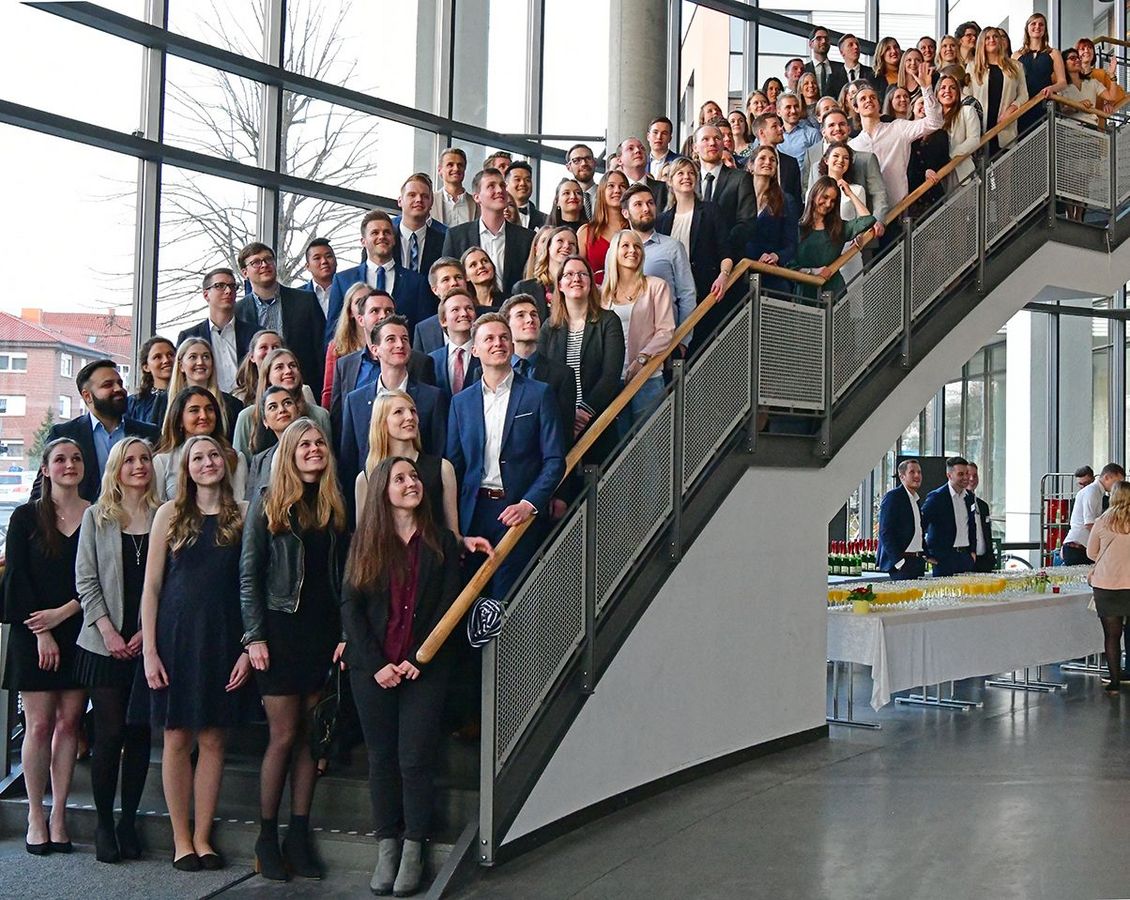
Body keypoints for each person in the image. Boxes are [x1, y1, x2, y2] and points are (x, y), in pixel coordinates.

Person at [340, 457, 464, 897]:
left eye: (414, 476)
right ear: (383, 492)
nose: (412, 483)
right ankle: (387, 847)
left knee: (414, 759)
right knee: (381, 759)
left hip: (422, 669)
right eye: (400, 479)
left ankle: (414, 847)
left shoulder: (442, 542)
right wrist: (376, 664)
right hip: (372, 671)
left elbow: (450, 604)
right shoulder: (365, 542)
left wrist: (418, 658)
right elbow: (351, 608)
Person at [135, 434, 255, 871]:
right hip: (176, 638)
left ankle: (203, 837)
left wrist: (248, 647)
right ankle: (181, 839)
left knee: (214, 738)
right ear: (185, 468)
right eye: (198, 457)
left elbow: (253, 586)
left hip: (224, 638)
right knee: (177, 737)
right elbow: (151, 588)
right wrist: (149, 650)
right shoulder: (168, 513)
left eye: (213, 455)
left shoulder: (244, 513)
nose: (207, 463)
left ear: (226, 462)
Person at [239, 418, 347, 881]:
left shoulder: (333, 505)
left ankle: (298, 836)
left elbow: (342, 578)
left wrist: (344, 633)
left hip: (321, 635)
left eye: (319, 442)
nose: (314, 448)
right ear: (288, 452)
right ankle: (266, 837)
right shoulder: (267, 504)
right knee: (283, 735)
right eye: (304, 443)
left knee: (310, 737)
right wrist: (254, 637)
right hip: (280, 632)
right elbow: (248, 576)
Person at [2, 438, 89, 856]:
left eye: (76, 459)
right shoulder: (25, 517)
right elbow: (16, 577)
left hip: (79, 629)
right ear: (45, 468)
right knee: (38, 726)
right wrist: (42, 629)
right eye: (60, 459)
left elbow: (102, 577)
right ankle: (35, 814)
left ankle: (59, 814)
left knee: (70, 724)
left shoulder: (96, 514)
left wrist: (64, 614)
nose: (69, 465)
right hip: (33, 630)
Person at [74, 437, 158, 863]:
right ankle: (104, 823)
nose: (139, 465)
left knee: (140, 734)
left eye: (144, 459)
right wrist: (108, 632)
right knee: (108, 735)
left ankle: (128, 821)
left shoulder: (165, 514)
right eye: (129, 460)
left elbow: (169, 583)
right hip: (102, 645)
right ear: (116, 469)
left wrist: (146, 633)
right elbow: (85, 581)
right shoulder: (97, 516)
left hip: (148, 643)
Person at [450, 313, 565, 598]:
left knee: (510, 598)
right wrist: (455, 528)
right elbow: (453, 467)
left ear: (512, 345)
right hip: (473, 513)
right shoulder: (460, 402)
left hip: (518, 510)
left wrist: (528, 504)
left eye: (504, 337)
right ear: (474, 350)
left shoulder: (539, 394)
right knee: (472, 599)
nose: (498, 343)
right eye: (489, 338)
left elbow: (554, 460)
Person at [340, 315, 447, 496]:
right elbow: (349, 461)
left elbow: (438, 452)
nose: (400, 344)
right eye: (391, 339)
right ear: (375, 349)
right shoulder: (355, 401)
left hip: (421, 496)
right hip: (371, 496)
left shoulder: (432, 398)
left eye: (405, 339)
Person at [33, 359, 159, 503]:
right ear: (87, 396)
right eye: (108, 385)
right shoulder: (64, 434)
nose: (119, 389)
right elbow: (42, 488)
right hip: (81, 515)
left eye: (120, 383)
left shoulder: (149, 433)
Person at [537, 255, 625, 455]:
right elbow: (541, 376)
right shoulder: (549, 327)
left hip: (597, 419)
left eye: (582, 274)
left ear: (590, 283)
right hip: (558, 422)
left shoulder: (608, 321)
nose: (576, 278)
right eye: (569, 274)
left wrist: (584, 411)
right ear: (560, 285)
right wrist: (566, 416)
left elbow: (611, 375)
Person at [330, 289, 435, 439]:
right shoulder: (345, 365)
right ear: (360, 319)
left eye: (389, 311)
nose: (383, 316)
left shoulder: (421, 362)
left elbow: (429, 410)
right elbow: (339, 420)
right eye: (375, 311)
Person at [601, 230, 675, 433]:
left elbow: (666, 330)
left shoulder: (656, 286)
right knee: (619, 443)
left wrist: (642, 359)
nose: (632, 250)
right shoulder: (602, 293)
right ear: (614, 251)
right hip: (612, 379)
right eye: (625, 245)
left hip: (647, 376)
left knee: (648, 442)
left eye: (637, 247)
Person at [324, 211, 435, 345]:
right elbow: (333, 331)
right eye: (375, 233)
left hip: (403, 354)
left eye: (387, 232)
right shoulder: (343, 280)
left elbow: (424, 330)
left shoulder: (416, 282)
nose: (382, 236)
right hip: (355, 355)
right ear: (363, 241)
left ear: (394, 239)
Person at [656, 157, 734, 345]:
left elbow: (726, 251)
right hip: (672, 296)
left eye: (691, 173)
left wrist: (724, 276)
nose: (687, 177)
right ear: (670, 181)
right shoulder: (661, 220)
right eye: (680, 173)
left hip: (706, 291)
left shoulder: (711, 210)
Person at [235, 242, 326, 400]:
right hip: (255, 396)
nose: (264, 265)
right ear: (245, 273)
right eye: (256, 262)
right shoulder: (237, 311)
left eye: (268, 259)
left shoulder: (305, 301)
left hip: (303, 393)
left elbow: (321, 350)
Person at [849, 64, 942, 207]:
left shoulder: (898, 128)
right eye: (863, 99)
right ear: (855, 108)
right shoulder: (852, 146)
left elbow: (934, 122)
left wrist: (926, 89)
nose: (868, 100)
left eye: (873, 97)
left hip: (900, 209)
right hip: (868, 213)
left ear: (879, 104)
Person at [622, 184, 696, 352]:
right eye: (638, 204)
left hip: (664, 344)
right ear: (625, 213)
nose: (646, 208)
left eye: (650, 203)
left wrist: (683, 340)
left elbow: (687, 294)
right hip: (624, 342)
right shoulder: (617, 249)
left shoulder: (673, 247)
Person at [500, 294, 578, 448]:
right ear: (506, 326)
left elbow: (564, 433)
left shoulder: (563, 375)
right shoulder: (489, 373)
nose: (530, 319)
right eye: (521, 315)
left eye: (534, 314)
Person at [442, 167, 535, 296]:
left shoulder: (527, 238)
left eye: (502, 186)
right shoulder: (456, 236)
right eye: (491, 186)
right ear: (477, 197)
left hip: (514, 306)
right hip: (470, 306)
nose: (499, 190)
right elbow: (447, 280)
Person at [233, 348, 331, 462]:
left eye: (292, 366)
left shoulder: (320, 415)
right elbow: (239, 463)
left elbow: (329, 459)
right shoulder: (246, 417)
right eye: (279, 367)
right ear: (267, 376)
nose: (288, 371)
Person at [154, 386, 249, 501]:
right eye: (194, 410)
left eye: (209, 409)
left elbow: (239, 503)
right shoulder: (162, 462)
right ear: (179, 420)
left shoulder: (236, 458)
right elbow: (156, 507)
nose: (204, 416)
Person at [802, 109, 889, 230]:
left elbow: (879, 194)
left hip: (861, 233)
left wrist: (878, 222)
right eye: (831, 125)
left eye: (842, 124)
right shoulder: (815, 166)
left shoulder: (867, 159)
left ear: (848, 129)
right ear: (823, 132)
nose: (837, 128)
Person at [730, 146, 800, 293]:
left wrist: (776, 256)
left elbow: (791, 244)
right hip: (737, 271)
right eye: (762, 158)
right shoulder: (736, 196)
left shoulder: (786, 201)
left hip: (769, 274)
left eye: (772, 160)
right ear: (750, 165)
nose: (768, 162)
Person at [177, 268, 259, 393]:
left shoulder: (254, 334)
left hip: (247, 401)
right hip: (205, 401)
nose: (228, 291)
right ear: (206, 295)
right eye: (220, 286)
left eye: (232, 286)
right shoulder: (189, 336)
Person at [795, 174, 874, 297]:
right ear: (814, 194)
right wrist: (813, 272)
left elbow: (868, 220)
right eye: (825, 197)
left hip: (834, 291)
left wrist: (850, 194)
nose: (828, 204)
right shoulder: (798, 228)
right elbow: (790, 265)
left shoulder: (838, 228)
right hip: (805, 292)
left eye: (833, 201)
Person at [1086, 480, 1130, 694]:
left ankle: (1114, 682)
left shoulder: (1102, 521)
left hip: (1106, 585)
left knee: (1112, 636)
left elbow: (1091, 552)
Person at [156, 337, 243, 440]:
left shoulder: (232, 404)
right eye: (193, 357)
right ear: (181, 366)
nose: (200, 362)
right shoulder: (163, 401)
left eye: (206, 357)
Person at [967, 27, 1028, 155]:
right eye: (987, 38)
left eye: (995, 36)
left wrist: (1011, 110)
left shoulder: (1016, 66)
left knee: (1004, 166)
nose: (992, 40)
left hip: (1005, 125)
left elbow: (1023, 95)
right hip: (979, 128)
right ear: (981, 42)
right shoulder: (973, 67)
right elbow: (967, 96)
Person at [694, 123, 755, 233]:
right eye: (705, 139)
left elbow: (747, 222)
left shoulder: (740, 179)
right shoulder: (690, 181)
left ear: (722, 144)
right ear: (695, 148)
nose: (712, 143)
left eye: (717, 138)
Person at [921, 456, 977, 576]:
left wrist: (972, 551)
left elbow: (972, 525)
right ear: (949, 475)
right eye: (961, 474)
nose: (966, 477)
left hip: (965, 557)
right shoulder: (936, 497)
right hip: (943, 559)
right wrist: (927, 554)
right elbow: (920, 525)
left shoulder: (969, 497)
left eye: (967, 473)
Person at [322, 283, 375, 409]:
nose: (364, 305)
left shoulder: (388, 342)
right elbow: (329, 391)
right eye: (359, 302)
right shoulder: (337, 347)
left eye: (368, 301)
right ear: (350, 312)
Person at [1013, 12, 1066, 135]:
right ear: (1027, 28)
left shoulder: (1054, 53)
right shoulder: (1016, 55)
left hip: (1045, 103)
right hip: (1024, 105)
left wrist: (1051, 88)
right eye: (1033, 24)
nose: (1037, 27)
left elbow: (1062, 82)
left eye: (1041, 24)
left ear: (1045, 30)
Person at [513, 226, 580, 321]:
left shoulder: (581, 286)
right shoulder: (523, 288)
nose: (566, 246)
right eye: (560, 241)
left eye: (572, 244)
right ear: (548, 247)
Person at [1063, 463, 1125, 564]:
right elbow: (1089, 523)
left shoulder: (1095, 492)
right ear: (1107, 477)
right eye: (1117, 482)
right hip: (1078, 547)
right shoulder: (1092, 491)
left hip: (1079, 545)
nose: (1118, 487)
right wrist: (1106, 540)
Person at [245, 385, 298, 501]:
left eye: (287, 403)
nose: (282, 410)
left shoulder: (314, 447)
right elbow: (251, 504)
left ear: (297, 411)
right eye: (273, 407)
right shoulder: (259, 461)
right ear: (265, 421)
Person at [577, 171, 630, 287]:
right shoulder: (586, 232)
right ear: (602, 191)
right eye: (611, 186)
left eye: (622, 186)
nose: (617, 190)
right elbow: (578, 271)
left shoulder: (635, 230)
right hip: (596, 295)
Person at [877, 458, 926, 579]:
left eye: (919, 472)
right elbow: (885, 532)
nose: (917, 476)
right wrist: (898, 561)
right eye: (912, 472)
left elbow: (918, 530)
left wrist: (927, 554)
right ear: (902, 476)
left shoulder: (915, 499)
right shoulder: (893, 497)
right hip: (903, 562)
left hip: (917, 561)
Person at [428, 289, 482, 401]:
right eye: (455, 309)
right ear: (443, 320)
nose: (464, 314)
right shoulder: (431, 360)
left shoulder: (485, 354)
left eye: (469, 308)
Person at [393, 173, 446, 276]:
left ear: (431, 203)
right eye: (412, 195)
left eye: (425, 196)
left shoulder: (444, 242)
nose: (419, 200)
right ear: (400, 201)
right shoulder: (384, 238)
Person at [937, 73, 983, 187]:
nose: (947, 91)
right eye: (943, 88)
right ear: (937, 92)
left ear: (958, 93)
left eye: (952, 88)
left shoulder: (968, 111)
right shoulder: (932, 118)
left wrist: (952, 156)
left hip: (960, 170)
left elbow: (974, 140)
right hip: (936, 175)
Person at [907, 94, 949, 215]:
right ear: (913, 107)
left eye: (928, 105)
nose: (924, 107)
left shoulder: (940, 134)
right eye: (921, 103)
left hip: (933, 189)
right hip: (912, 191)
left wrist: (932, 170)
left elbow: (943, 160)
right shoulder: (905, 132)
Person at [752, 111, 803, 208]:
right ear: (762, 132)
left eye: (780, 125)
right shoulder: (746, 163)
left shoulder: (791, 163)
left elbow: (797, 199)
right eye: (774, 126)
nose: (781, 129)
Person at [1062, 47, 1120, 127]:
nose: (1077, 60)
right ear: (1064, 64)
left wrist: (1112, 75)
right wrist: (1078, 106)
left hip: (1091, 127)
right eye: (1072, 58)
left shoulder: (1092, 82)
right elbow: (1062, 110)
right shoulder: (1061, 86)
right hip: (1069, 127)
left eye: (1078, 58)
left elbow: (1111, 97)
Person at [126, 336, 175, 425]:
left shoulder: (190, 397)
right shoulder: (133, 404)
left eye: (170, 355)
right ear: (146, 367)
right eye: (157, 357)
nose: (166, 360)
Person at [232, 329, 283, 407]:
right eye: (263, 347)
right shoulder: (239, 397)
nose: (270, 352)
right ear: (252, 357)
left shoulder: (297, 389)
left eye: (275, 347)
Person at [617, 136, 669, 211]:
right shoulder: (616, 191)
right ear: (619, 160)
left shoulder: (663, 189)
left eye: (642, 148)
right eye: (630, 148)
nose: (638, 150)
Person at [432, 147, 477, 226]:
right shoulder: (430, 201)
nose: (456, 169)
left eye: (460, 165)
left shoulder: (477, 203)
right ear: (439, 170)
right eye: (450, 165)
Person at [1077, 38, 1125, 113]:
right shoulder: (1072, 74)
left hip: (1096, 118)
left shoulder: (1101, 74)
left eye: (1090, 48)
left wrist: (1109, 103)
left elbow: (1120, 93)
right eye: (1082, 49)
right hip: (1073, 117)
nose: (1086, 51)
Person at [777, 92, 821, 166]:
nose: (793, 111)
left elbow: (819, 164)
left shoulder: (812, 134)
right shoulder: (775, 136)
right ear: (778, 112)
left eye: (796, 106)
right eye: (788, 107)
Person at [967, 463, 996, 572]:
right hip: (966, 560)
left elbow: (987, 533)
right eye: (968, 475)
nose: (972, 479)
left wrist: (991, 557)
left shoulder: (983, 506)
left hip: (984, 561)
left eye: (975, 476)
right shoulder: (958, 504)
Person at [805, 26, 847, 100]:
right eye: (819, 38)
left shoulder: (842, 68)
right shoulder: (804, 69)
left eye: (826, 38)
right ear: (811, 44)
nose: (823, 41)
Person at [301, 238, 338, 318]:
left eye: (328, 256)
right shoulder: (298, 296)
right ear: (307, 266)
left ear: (336, 261)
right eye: (317, 258)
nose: (324, 261)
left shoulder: (348, 290)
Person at [504, 161, 546, 230]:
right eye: (517, 179)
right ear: (506, 185)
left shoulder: (545, 220)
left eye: (527, 180)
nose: (523, 183)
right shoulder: (496, 214)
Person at [462, 246, 506, 310]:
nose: (481, 266)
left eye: (485, 261)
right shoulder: (464, 306)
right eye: (473, 265)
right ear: (466, 276)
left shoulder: (508, 302)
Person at [565, 143, 599, 217]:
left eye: (588, 158)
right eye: (577, 160)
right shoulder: (564, 200)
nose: (584, 163)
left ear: (595, 163)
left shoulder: (607, 195)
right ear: (568, 167)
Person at [869, 36, 903, 101]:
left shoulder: (908, 74)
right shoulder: (873, 79)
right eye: (888, 49)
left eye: (896, 47)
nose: (893, 51)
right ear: (881, 54)